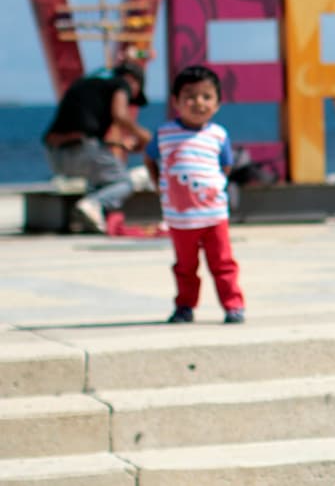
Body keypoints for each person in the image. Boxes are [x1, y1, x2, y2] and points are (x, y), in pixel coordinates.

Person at [144, 65, 246, 325]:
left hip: (214, 215)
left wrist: (214, 187)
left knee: (223, 263)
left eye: (206, 97)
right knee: (185, 267)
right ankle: (185, 306)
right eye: (190, 97)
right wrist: (159, 184)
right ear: (176, 102)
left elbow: (225, 165)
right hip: (179, 218)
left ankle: (233, 305)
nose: (198, 102)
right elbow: (150, 157)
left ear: (217, 103)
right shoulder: (165, 133)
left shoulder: (218, 135)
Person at [43, 61, 152, 233]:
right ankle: (93, 204)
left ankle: (90, 217)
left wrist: (118, 144)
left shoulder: (87, 83)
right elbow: (119, 114)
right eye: (132, 98)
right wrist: (144, 136)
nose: (130, 100)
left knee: (102, 180)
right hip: (82, 151)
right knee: (124, 182)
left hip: (55, 156)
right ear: (134, 81)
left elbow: (82, 129)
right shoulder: (122, 83)